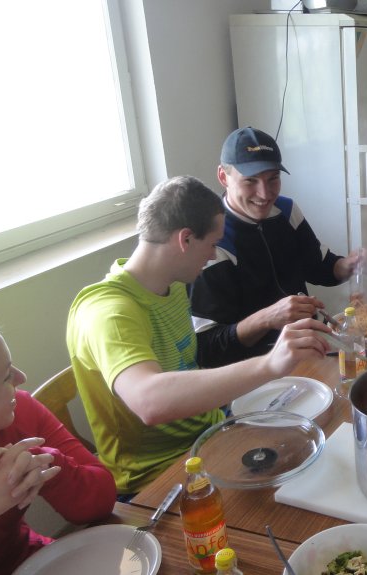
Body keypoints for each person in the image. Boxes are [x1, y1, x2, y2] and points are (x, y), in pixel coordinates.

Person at [67, 176, 330, 497]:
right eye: (212, 244)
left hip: (213, 433)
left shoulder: (174, 286)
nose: (213, 255)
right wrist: (270, 364)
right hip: (159, 476)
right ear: (186, 239)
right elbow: (150, 401)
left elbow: (198, 363)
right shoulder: (109, 313)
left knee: (320, 451)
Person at [0, 311, 116, 574]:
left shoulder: (16, 412)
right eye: (6, 376)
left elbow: (100, 502)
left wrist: (43, 463)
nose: (21, 378)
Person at [190, 126, 362, 368]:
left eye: (273, 179)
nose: (264, 194)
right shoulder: (211, 242)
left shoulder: (286, 210)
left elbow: (319, 267)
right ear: (223, 177)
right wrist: (268, 318)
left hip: (308, 348)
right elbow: (208, 349)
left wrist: (347, 265)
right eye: (250, 181)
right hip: (254, 370)